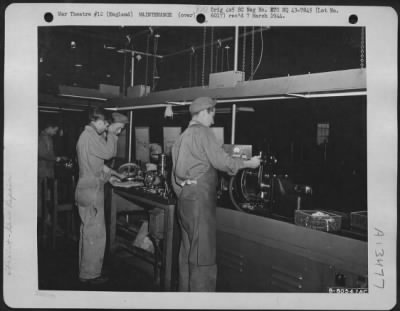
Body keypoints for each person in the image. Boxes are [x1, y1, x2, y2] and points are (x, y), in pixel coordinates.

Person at [171, 97, 261, 291]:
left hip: (185, 202)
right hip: (199, 205)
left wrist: (185, 188)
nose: (213, 121)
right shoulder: (203, 133)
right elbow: (223, 162)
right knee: (203, 258)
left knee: (187, 254)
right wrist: (249, 164)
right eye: (212, 115)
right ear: (204, 112)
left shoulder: (182, 136)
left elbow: (175, 177)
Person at [75, 107, 126, 285]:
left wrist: (115, 174)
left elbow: (98, 163)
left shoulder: (87, 137)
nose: (106, 127)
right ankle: (90, 275)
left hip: (85, 188)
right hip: (92, 190)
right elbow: (108, 153)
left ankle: (86, 269)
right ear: (96, 120)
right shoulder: (90, 136)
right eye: (105, 124)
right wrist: (112, 134)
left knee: (88, 232)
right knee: (95, 234)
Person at [38, 120, 66, 221]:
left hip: (48, 171)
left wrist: (57, 158)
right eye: (54, 130)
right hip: (42, 171)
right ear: (49, 127)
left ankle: (47, 218)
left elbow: (49, 153)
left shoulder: (48, 138)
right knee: (41, 195)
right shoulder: (41, 138)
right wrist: (56, 158)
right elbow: (41, 153)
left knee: (48, 196)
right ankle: (41, 219)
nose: (55, 133)